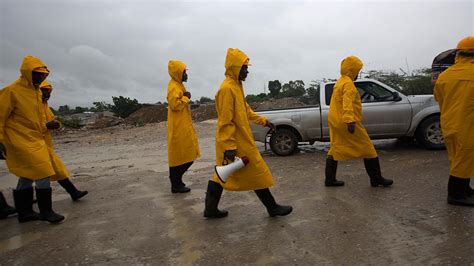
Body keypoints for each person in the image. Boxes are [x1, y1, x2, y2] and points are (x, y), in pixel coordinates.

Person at [203, 48, 293, 218]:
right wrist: (229, 146)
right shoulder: (227, 89)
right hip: (235, 142)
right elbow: (225, 121)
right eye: (244, 67)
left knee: (222, 175)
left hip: (240, 140)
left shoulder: (236, 86)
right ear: (235, 68)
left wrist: (264, 122)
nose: (247, 71)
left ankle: (210, 209)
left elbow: (247, 111)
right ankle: (272, 207)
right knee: (254, 171)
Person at [0, 55, 64, 223]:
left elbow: (37, 120)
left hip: (36, 139)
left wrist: (51, 126)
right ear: (27, 72)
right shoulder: (11, 91)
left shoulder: (36, 94)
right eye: (37, 74)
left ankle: (24, 212)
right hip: (19, 140)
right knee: (43, 171)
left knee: (28, 174)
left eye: (44, 75)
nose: (41, 77)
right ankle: (46, 211)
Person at [325, 55, 393, 188]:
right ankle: (376, 179)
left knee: (335, 148)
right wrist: (350, 121)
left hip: (336, 121)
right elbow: (347, 103)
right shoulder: (348, 84)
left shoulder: (340, 82)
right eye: (357, 70)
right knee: (368, 148)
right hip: (346, 122)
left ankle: (330, 180)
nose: (358, 73)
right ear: (352, 70)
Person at [433, 36, 474, 206]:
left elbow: (438, 97)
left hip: (449, 123)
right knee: (464, 157)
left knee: (457, 156)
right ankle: (456, 195)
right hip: (468, 124)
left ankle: (464, 189)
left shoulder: (445, 75)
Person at [40, 81, 88, 201]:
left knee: (56, 169)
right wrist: (45, 126)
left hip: (44, 144)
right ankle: (34, 208)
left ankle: (73, 192)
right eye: (44, 91)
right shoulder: (30, 105)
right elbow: (25, 125)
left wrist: (58, 125)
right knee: (35, 174)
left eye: (48, 91)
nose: (47, 94)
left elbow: (54, 121)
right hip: (30, 144)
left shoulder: (45, 106)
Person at [166, 60, 200, 193]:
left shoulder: (178, 85)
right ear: (177, 73)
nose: (186, 75)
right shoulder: (174, 87)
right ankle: (176, 183)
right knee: (183, 156)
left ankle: (177, 182)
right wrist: (186, 98)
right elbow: (175, 105)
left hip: (182, 125)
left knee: (183, 155)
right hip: (178, 127)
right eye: (184, 72)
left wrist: (185, 96)